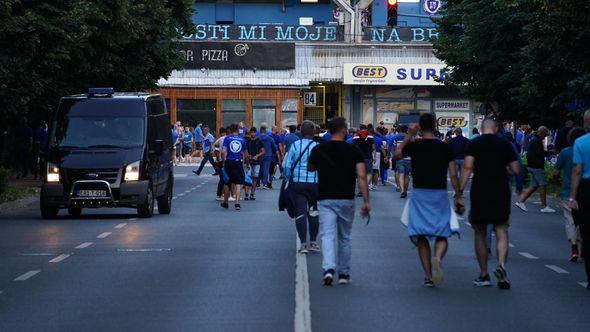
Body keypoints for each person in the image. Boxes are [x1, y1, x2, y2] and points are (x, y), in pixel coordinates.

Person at [394, 113, 462, 288]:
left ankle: (428, 276)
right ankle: (437, 258)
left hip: (419, 194)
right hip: (439, 194)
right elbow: (453, 174)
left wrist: (409, 134)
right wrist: (458, 195)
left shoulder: (415, 147)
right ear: (435, 126)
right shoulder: (445, 148)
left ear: (420, 128)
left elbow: (397, 155)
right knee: (442, 233)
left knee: (421, 236)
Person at [308, 117, 370, 286]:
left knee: (327, 235)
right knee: (345, 237)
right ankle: (343, 273)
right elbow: (362, 176)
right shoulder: (354, 151)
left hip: (325, 197)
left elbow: (311, 167)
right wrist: (366, 200)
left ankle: (328, 269)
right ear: (343, 130)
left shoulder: (319, 149)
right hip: (346, 197)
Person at [458, 118, 519, 289]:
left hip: (480, 191)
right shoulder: (505, 143)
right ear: (497, 128)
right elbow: (516, 170)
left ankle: (484, 274)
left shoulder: (474, 144)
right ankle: (501, 266)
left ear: (481, 128)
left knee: (480, 232)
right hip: (500, 191)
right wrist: (503, 168)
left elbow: (468, 167)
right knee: (501, 229)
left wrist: (459, 191)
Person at [284, 121, 321, 254]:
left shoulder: (295, 145)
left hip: (298, 182)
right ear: (314, 132)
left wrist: (288, 178)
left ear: (301, 131)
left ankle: (303, 244)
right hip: (314, 183)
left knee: (300, 212)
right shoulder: (318, 146)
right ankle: (314, 242)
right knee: (313, 212)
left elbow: (287, 165)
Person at [554, 127, 587, 262]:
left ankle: (574, 247)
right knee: (584, 220)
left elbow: (556, 171)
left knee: (570, 220)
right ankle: (584, 247)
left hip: (568, 191)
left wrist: (557, 180)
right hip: (585, 189)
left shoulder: (565, 152)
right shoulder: (585, 149)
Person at [568, 110, 590, 289]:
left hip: (586, 189)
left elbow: (577, 170)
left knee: (587, 232)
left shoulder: (580, 143)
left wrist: (573, 196)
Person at [515, 126, 556, 213]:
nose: (545, 137)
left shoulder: (533, 139)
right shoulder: (537, 141)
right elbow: (540, 153)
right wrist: (551, 152)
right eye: (545, 135)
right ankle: (544, 206)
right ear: (541, 133)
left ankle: (521, 201)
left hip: (532, 165)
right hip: (537, 166)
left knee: (534, 185)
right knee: (543, 184)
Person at [221, 124, 248, 210]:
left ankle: (226, 202)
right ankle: (237, 203)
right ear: (238, 130)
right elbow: (245, 153)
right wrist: (246, 163)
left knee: (227, 182)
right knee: (239, 183)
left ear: (230, 130)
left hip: (229, 161)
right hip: (238, 162)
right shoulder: (242, 139)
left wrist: (223, 162)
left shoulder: (227, 138)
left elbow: (223, 151)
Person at [353, 125, 375, 193]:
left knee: (359, 174)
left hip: (359, 157)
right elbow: (373, 147)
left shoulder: (356, 136)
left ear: (360, 129)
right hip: (368, 157)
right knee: (369, 173)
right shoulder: (370, 136)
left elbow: (354, 147)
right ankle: (365, 185)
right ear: (366, 129)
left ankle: (360, 190)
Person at [244, 127, 265, 201]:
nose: (253, 134)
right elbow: (244, 150)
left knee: (255, 178)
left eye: (254, 132)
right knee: (248, 177)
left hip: (257, 162)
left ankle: (252, 193)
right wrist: (247, 155)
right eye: (251, 132)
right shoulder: (247, 141)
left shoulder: (259, 141)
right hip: (249, 161)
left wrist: (257, 155)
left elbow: (263, 151)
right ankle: (246, 193)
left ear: (256, 133)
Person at [394, 125, 411, 198]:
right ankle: (406, 191)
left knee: (401, 174)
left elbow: (395, 148)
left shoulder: (397, 137)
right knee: (407, 175)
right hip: (408, 158)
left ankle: (402, 191)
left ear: (400, 129)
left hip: (399, 158)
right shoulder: (410, 138)